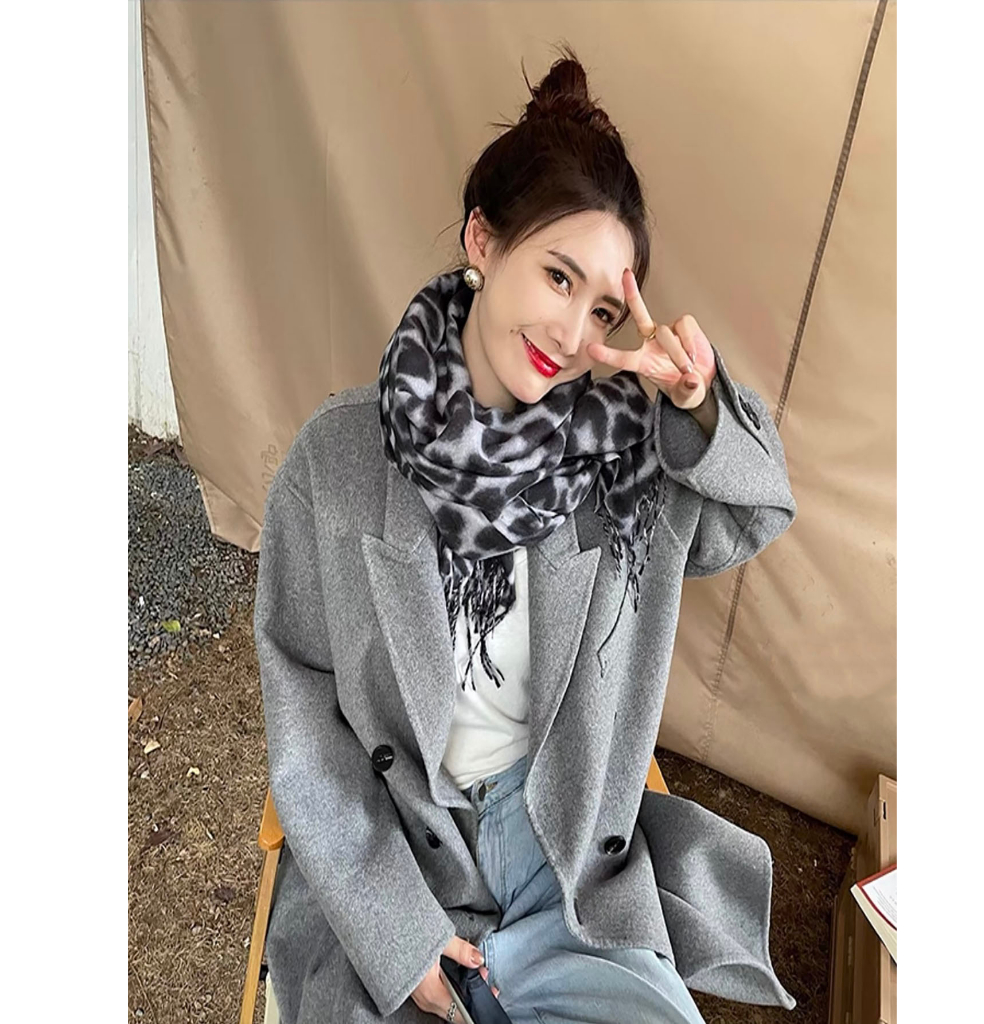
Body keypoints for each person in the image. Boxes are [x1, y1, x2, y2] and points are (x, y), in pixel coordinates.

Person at [255, 43, 797, 1024]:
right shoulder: (336, 462)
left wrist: (700, 408)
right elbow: (302, 703)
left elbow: (753, 514)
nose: (571, 330)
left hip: (566, 858)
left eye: (602, 307)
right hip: (405, 853)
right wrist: (393, 930)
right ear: (482, 240)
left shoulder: (626, 461)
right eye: (556, 275)